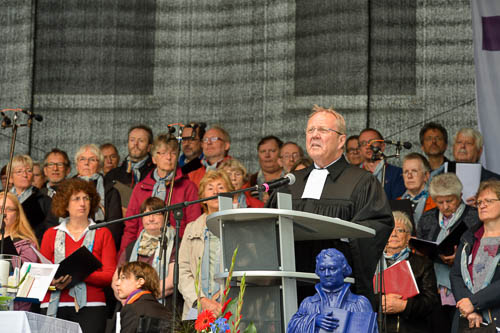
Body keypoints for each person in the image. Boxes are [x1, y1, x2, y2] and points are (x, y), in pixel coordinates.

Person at [268, 105, 393, 307]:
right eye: (311, 130)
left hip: (339, 296)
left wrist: (341, 238)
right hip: (291, 292)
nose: (314, 135)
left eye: (323, 130)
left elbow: (376, 227)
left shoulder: (361, 181)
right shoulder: (291, 182)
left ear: (341, 140)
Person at [40, 178, 116, 333]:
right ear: (65, 204)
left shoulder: (103, 233)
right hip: (54, 305)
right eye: (76, 199)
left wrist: (79, 274)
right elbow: (41, 275)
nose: (82, 203)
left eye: (86, 198)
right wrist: (54, 281)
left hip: (91, 306)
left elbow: (110, 275)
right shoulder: (50, 234)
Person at [417, 173, 479, 332]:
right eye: (440, 201)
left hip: (465, 288)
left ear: (460, 196)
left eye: (450, 201)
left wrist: (458, 258)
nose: (445, 206)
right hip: (433, 286)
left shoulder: (475, 216)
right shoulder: (427, 218)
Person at [120, 134, 201, 255]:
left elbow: (194, 226)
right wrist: (123, 257)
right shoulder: (141, 187)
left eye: (173, 153)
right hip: (143, 249)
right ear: (154, 158)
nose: (168, 157)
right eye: (162, 153)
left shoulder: (188, 187)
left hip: (176, 249)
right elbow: (131, 227)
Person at [178, 169, 234, 319]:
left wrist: (220, 299)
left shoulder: (240, 226)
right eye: (210, 188)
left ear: (230, 194)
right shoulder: (191, 229)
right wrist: (202, 300)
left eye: (221, 187)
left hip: (230, 306)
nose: (215, 191)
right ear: (202, 198)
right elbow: (184, 272)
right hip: (196, 308)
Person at [450, 180, 500, 332]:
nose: (482, 205)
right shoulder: (469, 237)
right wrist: (469, 308)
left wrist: (474, 303)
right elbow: (455, 275)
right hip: (466, 319)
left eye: (488, 201)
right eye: (479, 202)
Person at [377, 211, 439, 333]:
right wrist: (379, 301)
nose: (393, 234)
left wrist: (404, 306)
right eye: (390, 229)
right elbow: (360, 295)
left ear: (408, 238)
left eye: (400, 230)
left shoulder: (423, 263)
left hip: (411, 328)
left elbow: (431, 301)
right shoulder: (372, 263)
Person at [287, 249, 376, 333]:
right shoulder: (308, 303)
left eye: (332, 268)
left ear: (343, 270)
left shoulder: (360, 303)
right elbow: (291, 328)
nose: (327, 274)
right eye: (322, 269)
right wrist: (314, 320)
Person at [116, 197, 175, 301]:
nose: (151, 218)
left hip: (163, 306)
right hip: (131, 306)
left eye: (156, 214)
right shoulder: (132, 247)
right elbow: (116, 280)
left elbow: (171, 282)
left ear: (166, 217)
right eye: (146, 214)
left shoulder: (174, 244)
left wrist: (140, 298)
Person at [75, 144, 123, 248]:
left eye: (92, 160)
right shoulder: (65, 189)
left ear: (100, 166)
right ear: (76, 165)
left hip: (100, 244)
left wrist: (99, 245)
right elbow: (54, 220)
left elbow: (114, 226)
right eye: (82, 159)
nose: (86, 163)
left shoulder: (110, 191)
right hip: (70, 241)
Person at [109, 261, 171, 333]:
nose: (117, 283)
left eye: (123, 278)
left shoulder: (132, 308)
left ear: (140, 282)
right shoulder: (165, 310)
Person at [8, 155, 52, 242]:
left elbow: (50, 230)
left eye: (29, 171)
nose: (25, 175)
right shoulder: (4, 199)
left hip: (33, 248)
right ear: (10, 178)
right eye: (19, 171)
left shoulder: (44, 200)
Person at [358, 128, 406, 200]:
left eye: (372, 142)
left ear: (382, 146)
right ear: (359, 150)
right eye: (364, 143)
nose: (368, 146)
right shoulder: (353, 175)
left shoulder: (398, 174)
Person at [104, 124, 155, 189]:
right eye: (132, 140)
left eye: (141, 141)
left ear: (149, 147)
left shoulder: (157, 173)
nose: (135, 144)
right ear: (128, 144)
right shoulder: (113, 175)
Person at [399, 153, 436, 227]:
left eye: (414, 171)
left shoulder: (437, 202)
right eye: (406, 172)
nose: (409, 176)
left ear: (426, 176)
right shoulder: (396, 203)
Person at [249, 135, 285, 202]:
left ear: (281, 153)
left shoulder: (290, 178)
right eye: (263, 151)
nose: (267, 155)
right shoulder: (250, 181)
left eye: (272, 151)